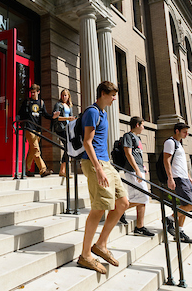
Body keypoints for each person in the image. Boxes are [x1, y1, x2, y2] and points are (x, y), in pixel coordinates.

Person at [77, 81, 129, 275]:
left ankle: (101, 244)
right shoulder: (92, 112)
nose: (115, 98)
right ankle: (85, 255)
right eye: (112, 95)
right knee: (99, 208)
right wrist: (98, 168)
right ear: (103, 94)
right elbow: (87, 142)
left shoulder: (103, 113)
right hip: (94, 163)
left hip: (106, 162)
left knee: (122, 202)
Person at [119, 116, 154, 237]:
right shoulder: (128, 136)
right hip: (132, 171)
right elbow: (128, 154)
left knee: (139, 198)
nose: (143, 128)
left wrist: (142, 166)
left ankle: (139, 227)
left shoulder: (137, 138)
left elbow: (136, 154)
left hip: (138, 170)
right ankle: (119, 209)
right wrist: (137, 170)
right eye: (143, 125)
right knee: (143, 196)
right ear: (137, 125)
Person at [162, 122, 192, 244]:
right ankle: (169, 219)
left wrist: (189, 177)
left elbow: (180, 163)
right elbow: (166, 160)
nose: (186, 134)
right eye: (184, 132)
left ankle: (179, 232)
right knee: (190, 205)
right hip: (178, 178)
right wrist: (170, 178)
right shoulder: (170, 142)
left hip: (184, 178)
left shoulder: (178, 144)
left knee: (185, 206)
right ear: (177, 131)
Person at [18, 84, 60, 177]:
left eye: (34, 92)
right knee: (36, 149)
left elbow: (44, 114)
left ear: (38, 92)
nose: (32, 94)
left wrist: (52, 116)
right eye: (31, 92)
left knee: (32, 150)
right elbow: (20, 113)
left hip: (37, 129)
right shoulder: (27, 102)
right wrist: (20, 123)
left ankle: (26, 169)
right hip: (29, 128)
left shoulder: (41, 103)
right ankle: (43, 170)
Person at [52, 89, 76, 177]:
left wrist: (73, 119)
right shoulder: (58, 105)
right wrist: (67, 118)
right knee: (67, 146)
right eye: (62, 95)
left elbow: (70, 118)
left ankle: (63, 170)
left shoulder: (69, 106)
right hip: (61, 128)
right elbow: (56, 117)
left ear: (68, 96)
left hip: (68, 129)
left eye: (65, 95)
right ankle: (63, 170)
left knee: (68, 148)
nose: (64, 97)